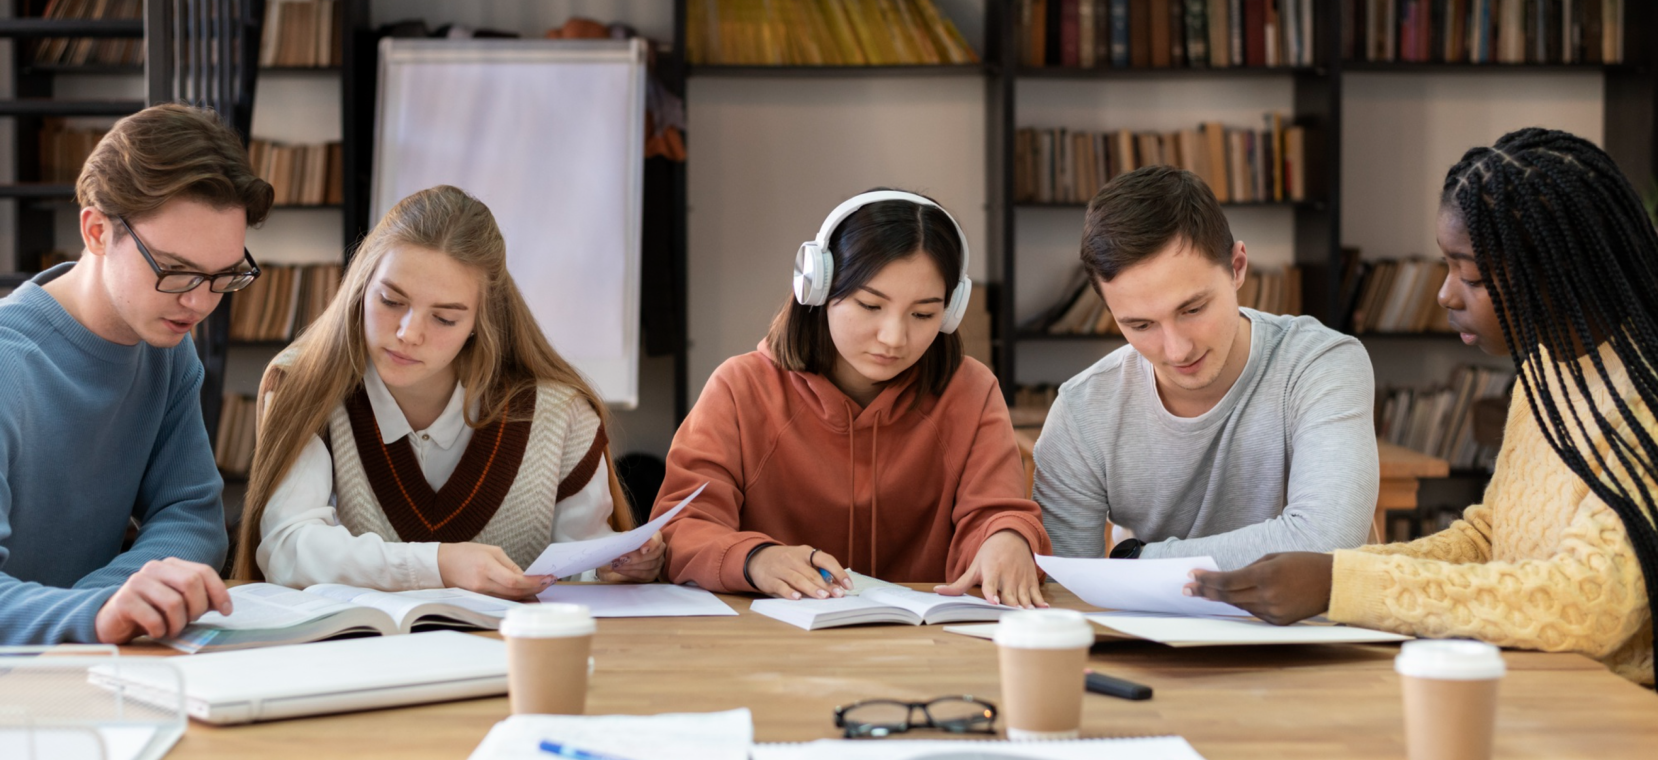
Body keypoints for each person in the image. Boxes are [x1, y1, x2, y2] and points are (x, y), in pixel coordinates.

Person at [1188, 128, 1658, 686]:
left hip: (1607, 717)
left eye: (1473, 276)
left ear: (1562, 272)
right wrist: (1338, 572)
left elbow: (1586, 607)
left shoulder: (1644, 405)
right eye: (1447, 265)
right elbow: (1490, 539)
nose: (1445, 295)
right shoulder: (1545, 372)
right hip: (1522, 689)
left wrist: (1343, 587)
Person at [234, 185, 663, 596]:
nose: (408, 333)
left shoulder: (560, 412)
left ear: (481, 321)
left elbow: (583, 565)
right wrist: (439, 565)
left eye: (444, 319)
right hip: (356, 659)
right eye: (391, 300)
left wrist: (617, 568)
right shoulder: (303, 384)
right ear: (363, 285)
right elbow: (287, 548)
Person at [652, 189, 1052, 607]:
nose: (894, 338)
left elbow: (995, 512)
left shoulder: (971, 391)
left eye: (923, 314)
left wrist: (1007, 538)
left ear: (950, 313)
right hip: (772, 645)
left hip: (928, 648)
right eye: (869, 305)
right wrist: (755, 559)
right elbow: (681, 527)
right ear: (818, 287)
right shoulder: (739, 388)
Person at [0, 104, 272, 644]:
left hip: (92, 667)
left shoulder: (168, 351)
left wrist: (120, 602)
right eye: (174, 271)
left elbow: (192, 517)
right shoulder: (10, 364)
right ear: (98, 231)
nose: (198, 302)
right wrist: (99, 611)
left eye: (222, 276)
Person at [1034, 165, 1378, 569]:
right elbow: (1065, 583)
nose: (1177, 350)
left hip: (1298, 630)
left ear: (1237, 267)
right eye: (1140, 325)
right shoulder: (1082, 411)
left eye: (1193, 309)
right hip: (1151, 628)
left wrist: (1139, 560)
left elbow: (1326, 542)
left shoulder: (1321, 364)